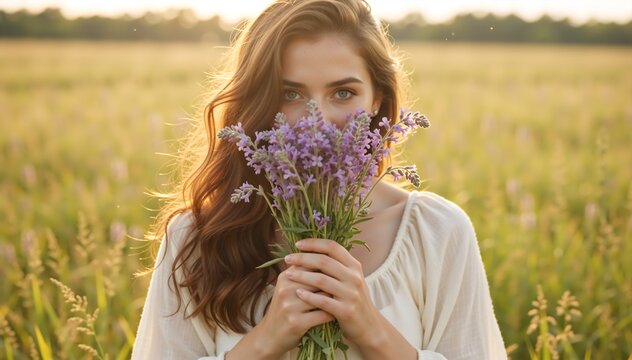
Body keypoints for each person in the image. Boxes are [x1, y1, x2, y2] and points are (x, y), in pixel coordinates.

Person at [131, 0, 506, 359]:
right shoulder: (196, 238)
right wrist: (266, 341)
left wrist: (370, 328)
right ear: (259, 101)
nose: (318, 122)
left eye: (343, 93)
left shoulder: (437, 233)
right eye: (290, 93)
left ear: (377, 99)